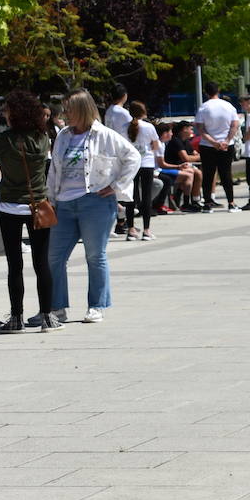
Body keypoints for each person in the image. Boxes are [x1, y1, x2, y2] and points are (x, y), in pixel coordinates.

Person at [45, 89, 139, 325]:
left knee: (95, 255)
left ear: (82, 110)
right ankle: (57, 307)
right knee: (54, 257)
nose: (65, 115)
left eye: (69, 110)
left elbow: (133, 157)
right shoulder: (63, 135)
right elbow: (54, 170)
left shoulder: (104, 134)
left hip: (95, 201)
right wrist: (50, 200)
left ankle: (96, 305)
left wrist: (116, 185)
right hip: (64, 202)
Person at [0, 89, 59, 332]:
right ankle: (47, 316)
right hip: (38, 205)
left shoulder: (4, 140)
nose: (4, 113)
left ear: (15, 113)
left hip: (10, 206)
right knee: (42, 263)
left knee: (15, 264)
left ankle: (17, 318)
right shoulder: (43, 138)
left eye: (7, 109)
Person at [194, 81, 239, 212]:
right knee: (226, 174)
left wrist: (213, 142)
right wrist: (226, 140)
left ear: (206, 92)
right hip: (226, 145)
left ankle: (207, 203)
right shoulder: (228, 106)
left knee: (208, 174)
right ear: (218, 90)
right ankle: (231, 202)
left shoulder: (203, 107)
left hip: (207, 146)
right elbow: (234, 125)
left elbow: (200, 129)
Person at [124, 102, 161, 241]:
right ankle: (146, 230)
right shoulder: (149, 127)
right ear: (143, 112)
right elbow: (156, 145)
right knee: (146, 196)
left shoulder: (124, 127)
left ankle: (131, 229)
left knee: (131, 197)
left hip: (131, 164)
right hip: (147, 163)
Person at [160, 122, 202, 211]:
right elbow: (185, 157)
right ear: (184, 129)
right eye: (190, 129)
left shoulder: (186, 142)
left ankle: (195, 200)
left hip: (181, 166)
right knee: (190, 173)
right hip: (172, 166)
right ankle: (184, 202)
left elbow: (194, 154)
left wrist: (196, 156)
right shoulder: (176, 141)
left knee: (198, 173)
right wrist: (199, 157)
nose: (192, 131)